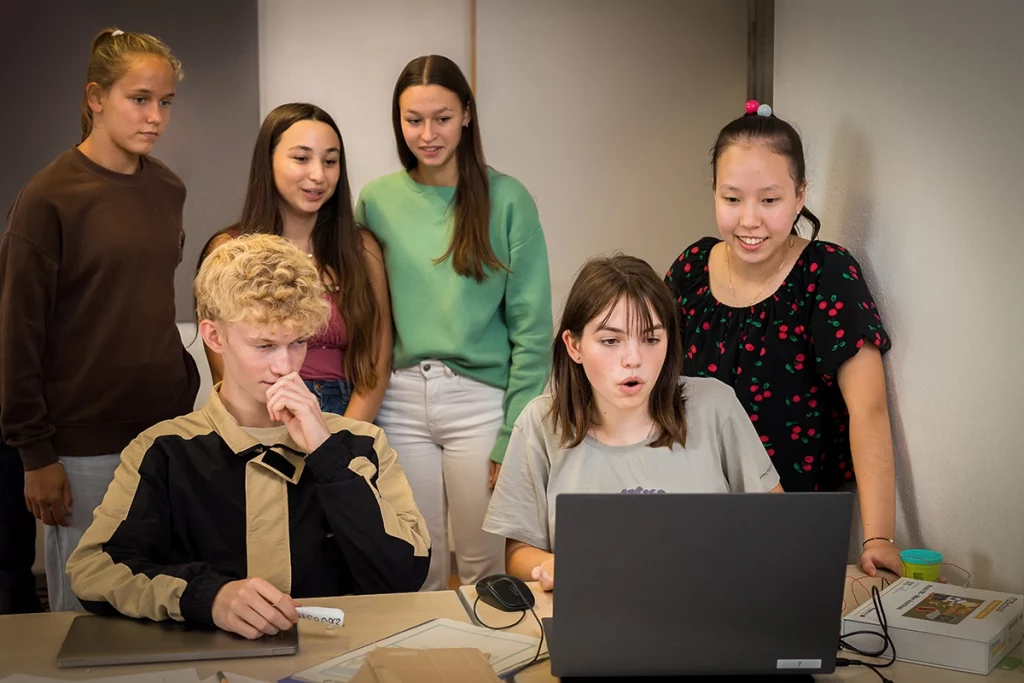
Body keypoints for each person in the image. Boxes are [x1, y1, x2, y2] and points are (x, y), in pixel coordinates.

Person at [67, 235, 429, 639]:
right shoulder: (163, 450)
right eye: (264, 345)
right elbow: (94, 571)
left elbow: (403, 573)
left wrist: (327, 454)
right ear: (214, 336)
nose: (285, 366)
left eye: (298, 343)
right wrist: (208, 596)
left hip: (335, 656)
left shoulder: (363, 442)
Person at [0, 27, 199, 612]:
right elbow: (17, 336)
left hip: (164, 434)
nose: (155, 116)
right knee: (84, 618)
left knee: (159, 601)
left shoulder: (168, 188)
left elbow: (142, 301)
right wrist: (36, 455)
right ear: (95, 98)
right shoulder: (47, 199)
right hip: (82, 448)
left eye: (165, 102)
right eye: (139, 99)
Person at [663, 102, 900, 577]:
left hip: (792, 526)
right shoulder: (691, 267)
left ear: (799, 195)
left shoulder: (826, 273)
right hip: (689, 512)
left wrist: (879, 538)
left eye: (769, 200)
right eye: (732, 199)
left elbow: (868, 411)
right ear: (713, 193)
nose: (749, 220)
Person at [356, 55, 553, 590]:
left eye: (441, 117)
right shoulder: (376, 200)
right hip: (399, 397)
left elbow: (533, 329)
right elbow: (361, 311)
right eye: (412, 119)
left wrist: (513, 431)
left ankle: (493, 668)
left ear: (467, 114)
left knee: (486, 563)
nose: (427, 133)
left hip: (481, 401)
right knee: (415, 560)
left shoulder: (507, 198)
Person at [484, 255, 782, 591]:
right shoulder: (540, 423)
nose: (634, 359)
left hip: (711, 616)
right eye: (611, 341)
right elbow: (519, 554)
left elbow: (776, 526)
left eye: (651, 339)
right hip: (593, 621)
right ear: (574, 345)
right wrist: (556, 566)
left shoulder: (716, 406)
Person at [200, 103, 390, 421]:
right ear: (268, 160)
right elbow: (226, 374)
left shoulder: (361, 248)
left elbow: (378, 362)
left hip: (348, 415)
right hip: (262, 416)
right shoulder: (229, 250)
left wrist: (337, 443)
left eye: (330, 161)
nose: (318, 175)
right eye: (301, 158)